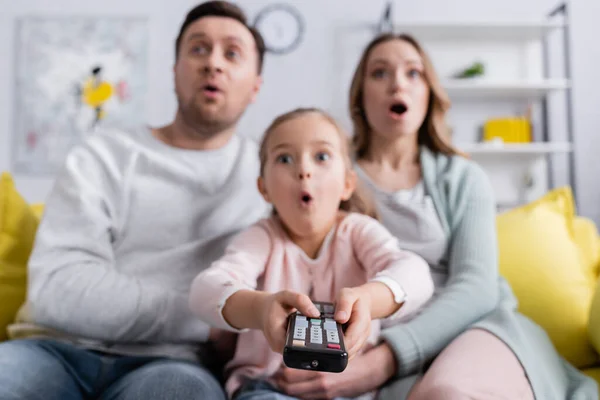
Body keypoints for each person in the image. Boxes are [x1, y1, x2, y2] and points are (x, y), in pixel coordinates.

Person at [271, 33, 599, 400]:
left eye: (414, 73)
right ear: (359, 97)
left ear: (429, 93)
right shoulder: (329, 178)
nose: (398, 83)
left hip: (473, 329)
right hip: (365, 341)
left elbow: (477, 287)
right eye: (380, 73)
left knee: (449, 393)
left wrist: (386, 360)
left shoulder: (462, 177)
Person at [0, 2, 270, 399]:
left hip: (172, 366)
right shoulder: (102, 155)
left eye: (232, 53)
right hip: (53, 349)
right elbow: (59, 292)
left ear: (255, 86)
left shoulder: (270, 178)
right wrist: (205, 316)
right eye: (198, 49)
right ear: (175, 70)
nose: (213, 63)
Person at [189, 107, 435, 400]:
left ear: (347, 183)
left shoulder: (358, 231)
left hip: (349, 390)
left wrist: (369, 301)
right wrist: (260, 309)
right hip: (268, 385)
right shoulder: (262, 237)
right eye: (284, 158)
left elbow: (416, 273)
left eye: (321, 157)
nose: (303, 170)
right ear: (263, 188)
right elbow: (204, 290)